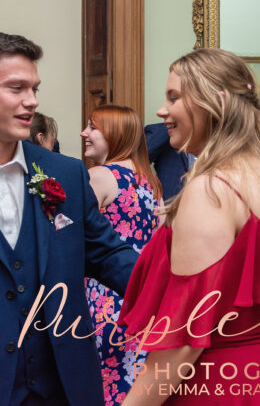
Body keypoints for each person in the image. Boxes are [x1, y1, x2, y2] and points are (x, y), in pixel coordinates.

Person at [119, 48, 260, 404]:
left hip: (221, 381)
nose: (161, 111)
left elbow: (184, 341)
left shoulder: (213, 189)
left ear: (215, 102)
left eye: (174, 97)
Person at [0, 32, 138, 405]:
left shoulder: (64, 173)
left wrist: (184, 288)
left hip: (61, 385)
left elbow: (108, 255)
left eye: (34, 88)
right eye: (17, 88)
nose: (32, 101)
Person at [81, 105, 162, 405]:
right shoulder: (151, 182)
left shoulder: (99, 176)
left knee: (100, 384)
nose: (84, 133)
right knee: (130, 384)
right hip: (139, 295)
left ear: (114, 134)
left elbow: (76, 237)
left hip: (102, 296)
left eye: (92, 128)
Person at [144, 122, 191, 199]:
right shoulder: (163, 132)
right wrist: (174, 125)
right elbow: (137, 159)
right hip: (170, 206)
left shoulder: (215, 138)